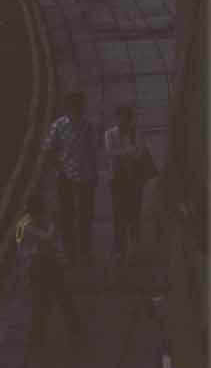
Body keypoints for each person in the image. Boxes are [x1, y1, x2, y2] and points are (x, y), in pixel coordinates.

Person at [16, 191, 81, 347]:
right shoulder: (23, 226)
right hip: (37, 265)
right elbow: (46, 238)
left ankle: (74, 328)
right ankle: (39, 338)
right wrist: (53, 226)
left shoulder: (42, 220)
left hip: (49, 263)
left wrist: (60, 256)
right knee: (42, 303)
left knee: (62, 297)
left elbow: (54, 242)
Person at [42, 90, 98, 262]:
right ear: (68, 108)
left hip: (86, 176)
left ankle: (85, 252)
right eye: (74, 108)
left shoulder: (88, 125)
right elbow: (47, 149)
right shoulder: (58, 125)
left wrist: (95, 173)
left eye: (79, 108)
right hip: (65, 177)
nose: (77, 111)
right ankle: (70, 253)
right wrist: (59, 169)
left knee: (85, 216)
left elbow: (92, 151)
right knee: (67, 216)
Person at [104, 101, 145, 258]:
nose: (123, 122)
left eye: (126, 119)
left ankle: (135, 248)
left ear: (130, 119)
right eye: (120, 119)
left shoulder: (136, 133)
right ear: (116, 119)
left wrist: (122, 153)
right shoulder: (109, 134)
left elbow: (140, 154)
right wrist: (128, 151)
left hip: (134, 179)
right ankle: (120, 249)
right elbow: (109, 153)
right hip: (117, 179)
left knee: (134, 214)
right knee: (118, 214)